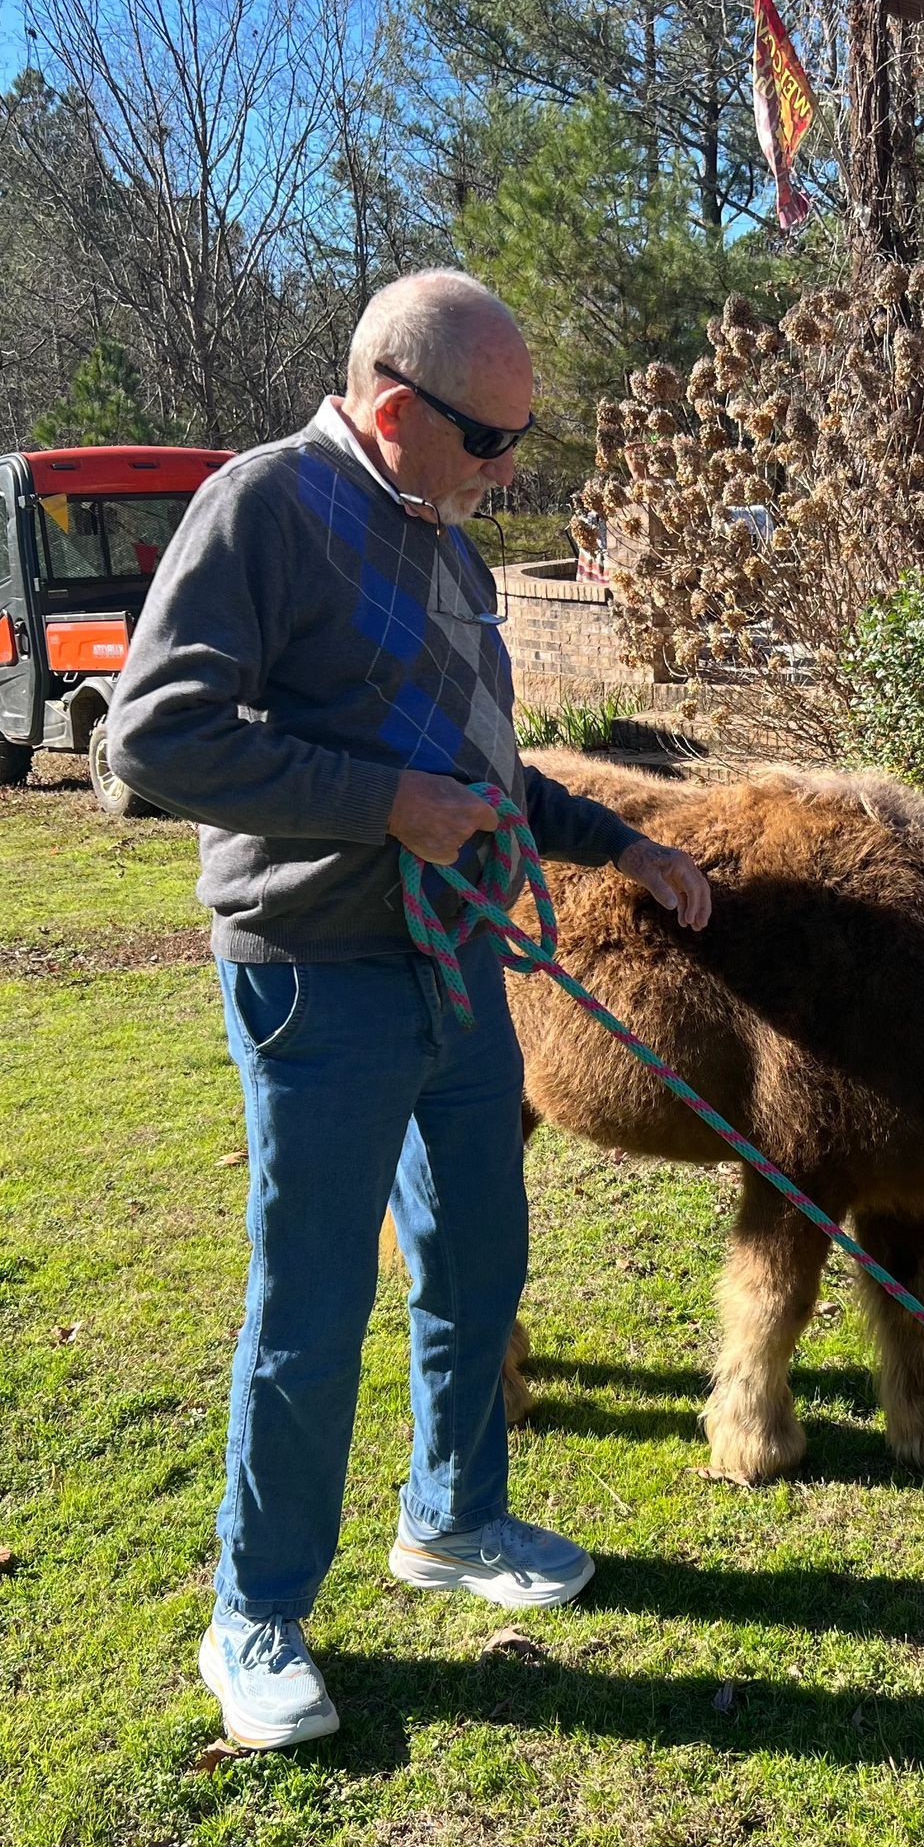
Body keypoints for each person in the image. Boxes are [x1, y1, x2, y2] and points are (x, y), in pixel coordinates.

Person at [107, 271, 711, 1751]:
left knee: (479, 1256)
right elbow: (153, 740)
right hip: (319, 977)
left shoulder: (441, 536)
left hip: (459, 967)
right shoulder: (264, 509)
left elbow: (477, 770)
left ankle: (454, 1519)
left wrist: (616, 840)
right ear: (394, 412)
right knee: (313, 1306)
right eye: (493, 445)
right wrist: (384, 807)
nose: (510, 477)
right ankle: (255, 1615)